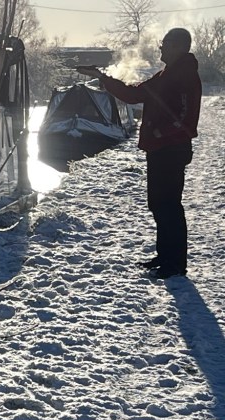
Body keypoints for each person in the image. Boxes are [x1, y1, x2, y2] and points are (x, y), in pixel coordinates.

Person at [77, 28, 202, 280]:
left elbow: (187, 118)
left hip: (172, 149)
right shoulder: (165, 74)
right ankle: (164, 256)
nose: (160, 48)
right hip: (160, 149)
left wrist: (160, 134)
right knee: (158, 204)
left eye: (165, 43)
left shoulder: (186, 76)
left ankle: (175, 263)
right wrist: (102, 77)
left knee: (169, 205)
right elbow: (134, 94)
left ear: (178, 47)